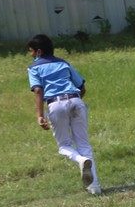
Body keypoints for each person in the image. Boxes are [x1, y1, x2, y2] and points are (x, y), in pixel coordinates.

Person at [27, 34, 101, 195]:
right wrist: (74, 104)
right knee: (84, 145)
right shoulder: (64, 63)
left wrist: (40, 115)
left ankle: (80, 160)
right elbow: (81, 87)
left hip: (56, 104)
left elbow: (38, 90)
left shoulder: (34, 68)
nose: (31, 55)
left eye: (31, 51)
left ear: (38, 52)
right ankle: (95, 187)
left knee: (64, 146)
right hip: (76, 101)